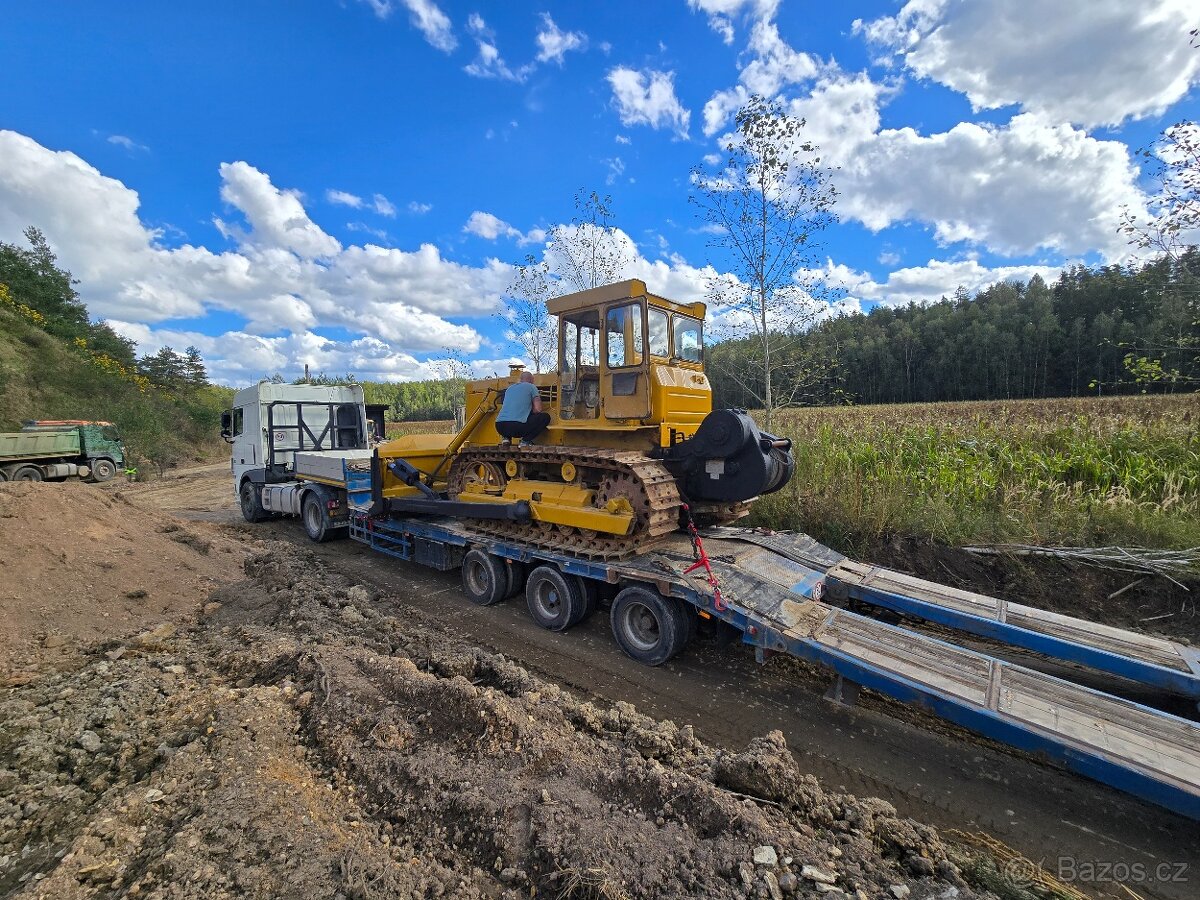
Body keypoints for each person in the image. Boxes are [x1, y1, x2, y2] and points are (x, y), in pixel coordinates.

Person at [495, 371, 550, 446]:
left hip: (500, 426)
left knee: (509, 418)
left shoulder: (509, 388)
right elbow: (538, 409)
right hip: (517, 427)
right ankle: (525, 441)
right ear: (532, 379)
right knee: (545, 417)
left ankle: (506, 438)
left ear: (520, 379)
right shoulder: (531, 386)